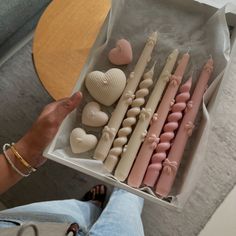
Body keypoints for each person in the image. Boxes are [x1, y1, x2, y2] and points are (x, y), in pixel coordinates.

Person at [0, 92, 145, 236]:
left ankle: (92, 207)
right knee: (129, 196)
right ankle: (114, 196)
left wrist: (27, 151)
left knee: (75, 211)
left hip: (31, 228)